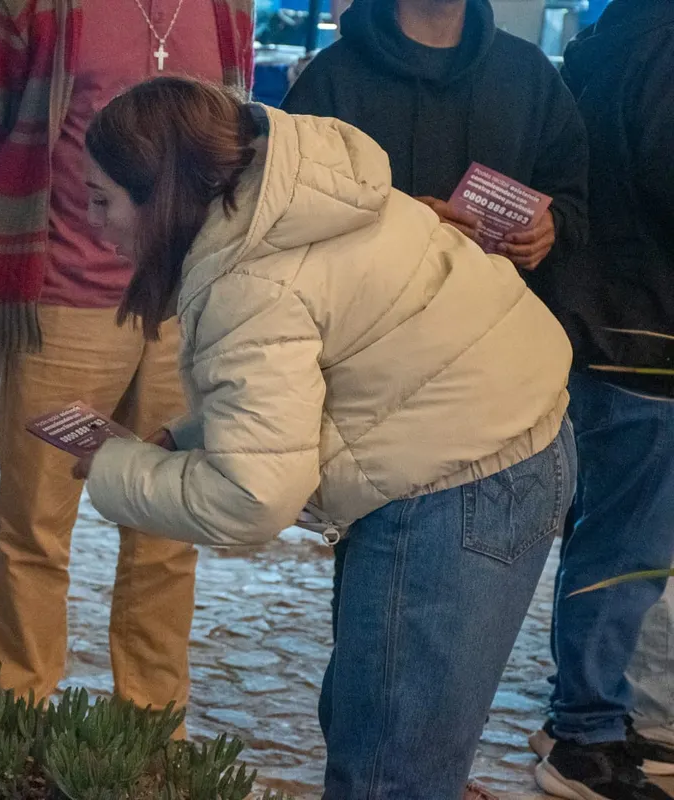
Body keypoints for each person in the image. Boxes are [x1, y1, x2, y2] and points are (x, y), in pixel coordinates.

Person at [73, 77, 575, 800]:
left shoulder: (249, 279)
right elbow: (316, 367)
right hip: (502, 441)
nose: (92, 222)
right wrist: (186, 436)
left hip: (459, 481)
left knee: (387, 772)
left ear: (167, 195)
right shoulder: (294, 191)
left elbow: (252, 499)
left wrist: (115, 468)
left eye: (102, 199)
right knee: (372, 730)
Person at [0, 0, 254, 724]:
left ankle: (151, 724)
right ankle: (16, 712)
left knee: (169, 527)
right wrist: (10, 214)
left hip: (188, 301)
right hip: (63, 296)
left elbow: (237, 140)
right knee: (36, 527)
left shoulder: (226, 7)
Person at [520, 1, 674, 796]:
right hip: (643, 332)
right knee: (626, 549)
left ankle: (588, 715)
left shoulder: (618, 32)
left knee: (612, 536)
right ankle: (585, 735)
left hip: (612, 322)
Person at [281, 0, 587, 280]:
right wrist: (400, 224)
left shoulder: (529, 74)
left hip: (497, 325)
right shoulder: (332, 78)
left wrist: (552, 226)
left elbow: (573, 199)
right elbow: (287, 218)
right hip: (365, 326)